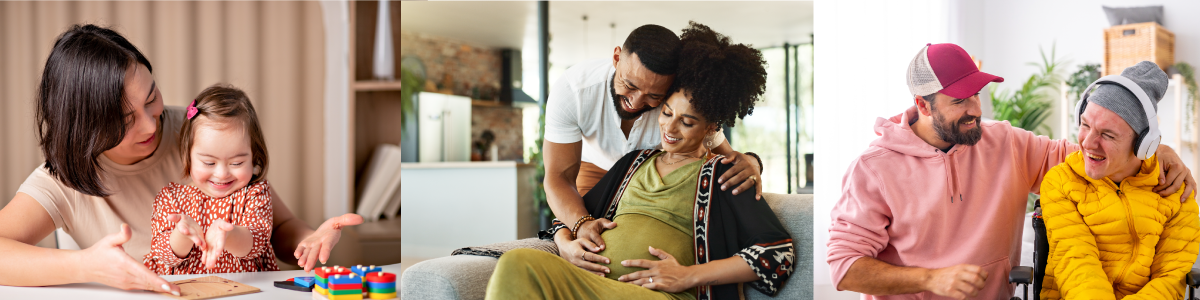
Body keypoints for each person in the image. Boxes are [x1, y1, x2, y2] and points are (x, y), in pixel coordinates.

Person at [0, 24, 360, 294]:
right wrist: (86, 266)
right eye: (125, 120)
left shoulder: (197, 132)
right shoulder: (63, 180)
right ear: (86, 127)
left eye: (151, 96)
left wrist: (310, 239)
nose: (150, 123)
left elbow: (278, 228)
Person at [826, 43, 1196, 299]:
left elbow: (1091, 157)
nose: (975, 109)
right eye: (959, 101)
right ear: (923, 104)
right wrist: (931, 279)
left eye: (976, 94)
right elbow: (844, 268)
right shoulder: (873, 170)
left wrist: (1155, 148)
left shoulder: (1006, 142)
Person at [485, 22, 792, 300]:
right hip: (594, 281)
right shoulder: (632, 160)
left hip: (652, 295)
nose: (669, 128)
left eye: (686, 122)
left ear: (711, 127)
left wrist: (688, 275)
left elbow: (777, 252)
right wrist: (568, 238)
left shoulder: (721, 174)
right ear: (616, 58)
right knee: (518, 262)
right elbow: (564, 194)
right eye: (667, 113)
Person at [541, 24, 766, 276]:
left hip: (638, 172)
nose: (636, 102)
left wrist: (752, 162)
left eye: (654, 96)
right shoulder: (574, 90)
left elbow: (721, 151)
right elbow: (558, 179)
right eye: (630, 85)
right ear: (616, 58)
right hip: (601, 170)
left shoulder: (676, 98)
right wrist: (568, 236)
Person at [1039, 61, 1199, 299]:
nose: (1087, 143)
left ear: (1143, 144)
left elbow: (1170, 278)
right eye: (1085, 125)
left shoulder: (1176, 191)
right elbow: (1077, 265)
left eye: (1107, 134)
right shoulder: (1060, 182)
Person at [144, 84, 281, 274]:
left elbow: (256, 242)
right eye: (209, 163)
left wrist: (229, 234)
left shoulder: (255, 193)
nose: (222, 174)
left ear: (254, 156)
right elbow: (162, 254)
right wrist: (182, 234)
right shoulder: (171, 197)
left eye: (237, 163)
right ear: (188, 156)